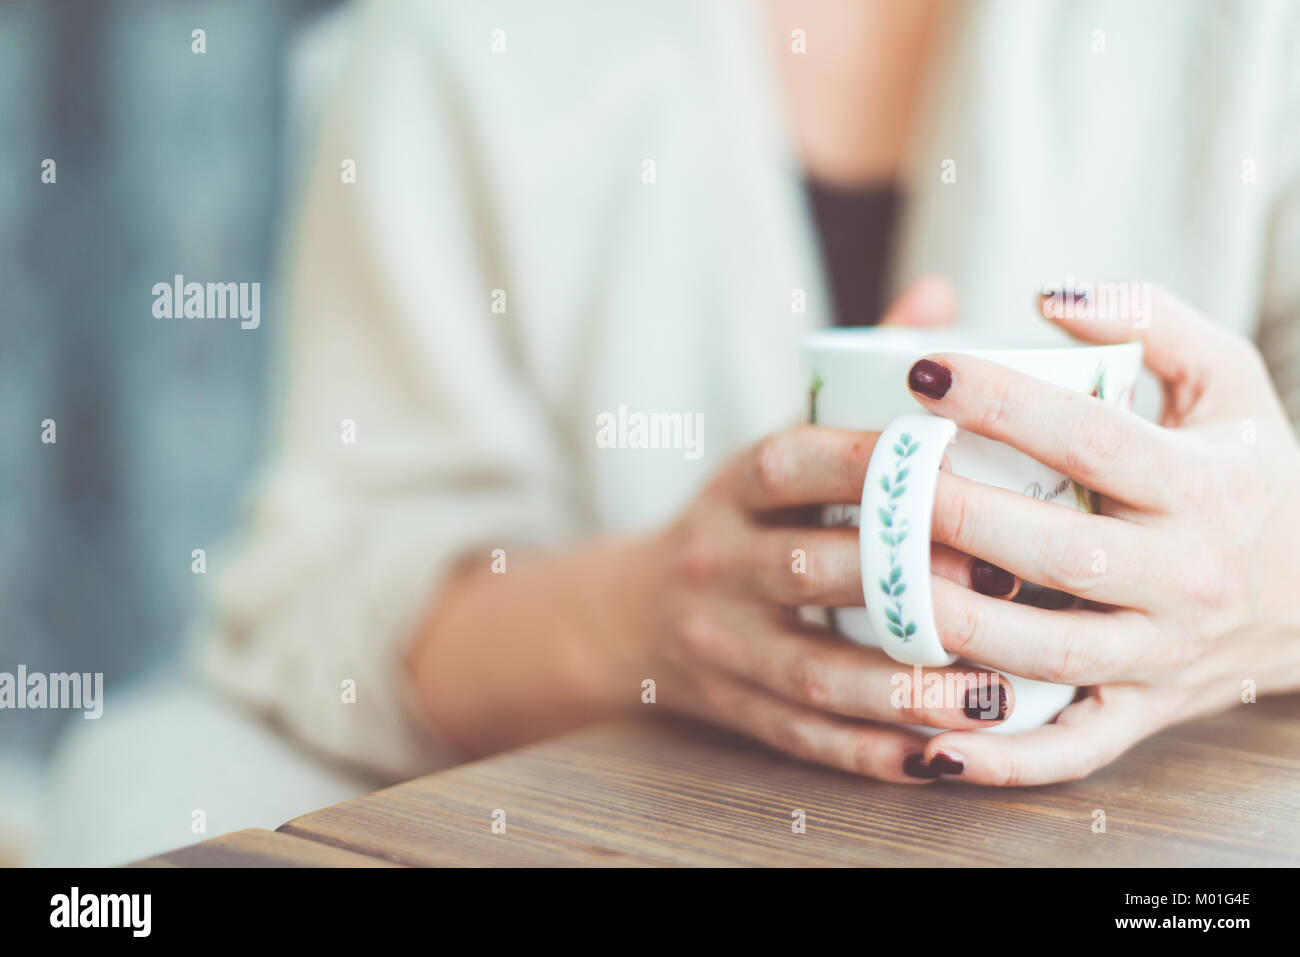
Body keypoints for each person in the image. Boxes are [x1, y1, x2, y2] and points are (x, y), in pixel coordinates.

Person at [39, 0, 1300, 864]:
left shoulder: (1250, 41)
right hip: (605, 795)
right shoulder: (449, 43)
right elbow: (326, 588)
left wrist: (1260, 592)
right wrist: (650, 616)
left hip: (1152, 802)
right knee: (140, 795)